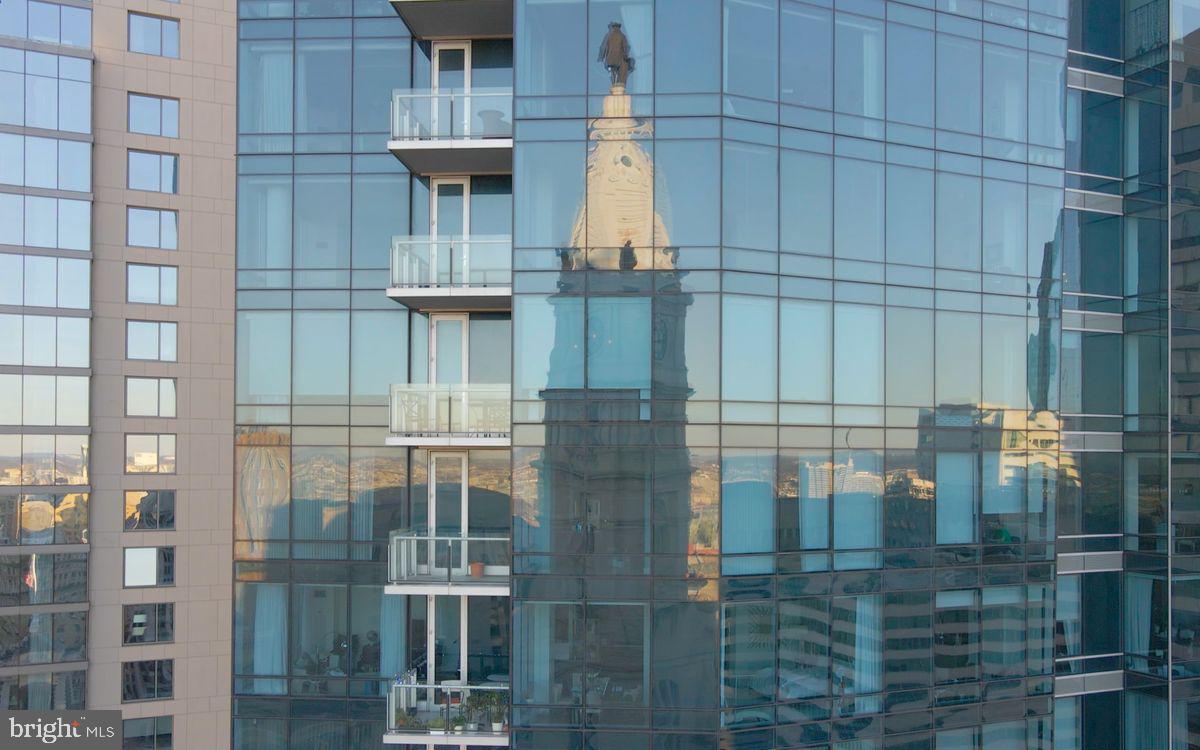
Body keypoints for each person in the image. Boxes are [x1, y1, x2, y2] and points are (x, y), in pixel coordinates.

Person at [598, 22, 634, 86]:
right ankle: (616, 83)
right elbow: (625, 47)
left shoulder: (609, 36)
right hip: (618, 59)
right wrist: (626, 54)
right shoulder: (622, 36)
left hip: (610, 60)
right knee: (619, 70)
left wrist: (602, 57)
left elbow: (605, 47)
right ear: (619, 28)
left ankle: (614, 83)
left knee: (613, 72)